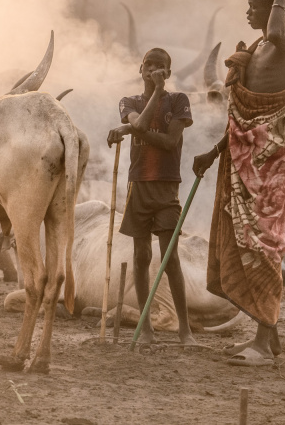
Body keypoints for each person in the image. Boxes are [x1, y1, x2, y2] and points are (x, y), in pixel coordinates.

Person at [192, 0, 285, 367]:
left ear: (275, 8)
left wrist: (279, 0)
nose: (248, 12)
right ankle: (267, 341)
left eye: (255, 5)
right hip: (240, 163)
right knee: (245, 244)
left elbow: (276, 29)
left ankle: (260, 341)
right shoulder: (253, 51)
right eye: (250, 5)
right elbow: (239, 122)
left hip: (267, 169)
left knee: (263, 247)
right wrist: (212, 152)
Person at [107, 47, 196, 345]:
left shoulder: (179, 100)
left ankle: (185, 330)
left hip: (167, 186)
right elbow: (143, 124)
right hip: (139, 185)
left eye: (162, 67)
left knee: (170, 258)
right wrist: (135, 123)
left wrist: (128, 129)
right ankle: (145, 328)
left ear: (168, 73)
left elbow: (171, 143)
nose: (155, 69)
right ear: (141, 68)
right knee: (141, 255)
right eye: (150, 64)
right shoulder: (129, 101)